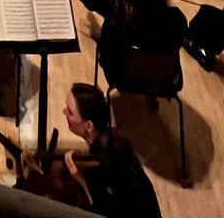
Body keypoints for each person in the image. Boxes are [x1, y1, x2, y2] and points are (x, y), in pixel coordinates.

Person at [80, 0, 186, 87]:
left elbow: (99, 3)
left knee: (106, 7)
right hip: (163, 79)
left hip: (119, 75)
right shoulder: (176, 18)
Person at [62, 85, 161, 218]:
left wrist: (79, 178)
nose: (64, 112)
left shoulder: (99, 169)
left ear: (89, 126)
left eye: (70, 112)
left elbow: (99, 211)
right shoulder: (117, 137)